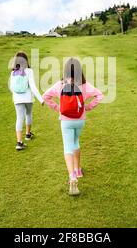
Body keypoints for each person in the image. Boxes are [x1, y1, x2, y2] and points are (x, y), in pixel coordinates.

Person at [43, 58, 103, 196]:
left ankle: (72, 177)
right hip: (80, 120)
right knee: (76, 141)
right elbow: (99, 95)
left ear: (65, 70)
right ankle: (78, 169)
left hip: (66, 120)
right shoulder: (84, 84)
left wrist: (57, 107)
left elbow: (45, 96)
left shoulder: (60, 84)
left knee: (67, 147)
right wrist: (88, 107)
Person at [9, 51, 44, 151]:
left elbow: (12, 88)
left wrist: (16, 97)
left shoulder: (13, 73)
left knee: (19, 118)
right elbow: (33, 87)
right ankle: (28, 135)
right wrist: (40, 99)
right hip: (28, 98)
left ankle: (19, 142)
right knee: (28, 114)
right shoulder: (29, 71)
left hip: (17, 99)